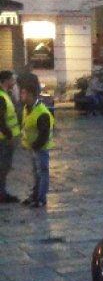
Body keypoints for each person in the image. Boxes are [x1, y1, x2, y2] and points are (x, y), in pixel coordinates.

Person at [18, 75, 53, 208]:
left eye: (23, 93)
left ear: (31, 95)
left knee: (42, 173)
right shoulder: (27, 108)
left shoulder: (41, 112)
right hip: (33, 147)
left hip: (40, 148)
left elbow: (43, 134)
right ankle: (35, 195)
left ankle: (40, 199)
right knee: (36, 173)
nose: (21, 95)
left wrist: (35, 146)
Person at [0, 70, 19, 203]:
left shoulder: (6, 94)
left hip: (5, 138)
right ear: (6, 80)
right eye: (12, 79)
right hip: (4, 139)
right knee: (3, 167)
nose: (14, 81)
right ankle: (2, 194)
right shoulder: (1, 97)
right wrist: (9, 136)